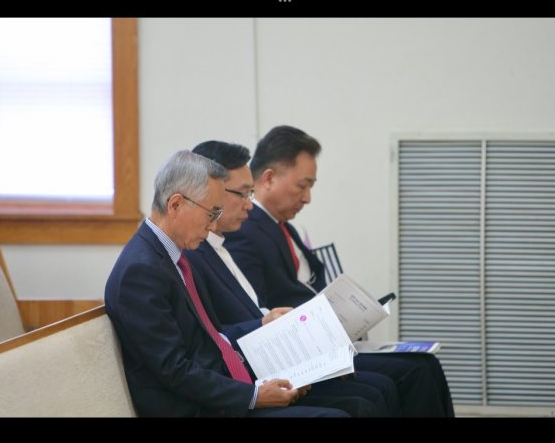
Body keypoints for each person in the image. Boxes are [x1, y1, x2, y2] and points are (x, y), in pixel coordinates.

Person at [105, 149, 375, 417]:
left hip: (223, 387)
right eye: (211, 213)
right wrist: (254, 396)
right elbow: (174, 369)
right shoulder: (141, 271)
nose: (213, 226)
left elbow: (213, 336)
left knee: (358, 402)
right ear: (175, 205)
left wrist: (266, 348)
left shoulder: (170, 256)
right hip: (196, 407)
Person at [223, 125, 455, 417]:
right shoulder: (246, 233)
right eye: (302, 186)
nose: (307, 198)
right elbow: (257, 310)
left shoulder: (282, 227)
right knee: (412, 372)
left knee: (423, 364)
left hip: (327, 340)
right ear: (268, 178)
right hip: (302, 352)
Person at [187, 140, 401, 417]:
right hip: (250, 377)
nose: (249, 205)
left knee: (375, 391)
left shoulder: (221, 246)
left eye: (250, 194)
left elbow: (254, 312)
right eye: (243, 194)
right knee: (366, 399)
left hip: (274, 362)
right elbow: (211, 340)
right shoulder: (198, 254)